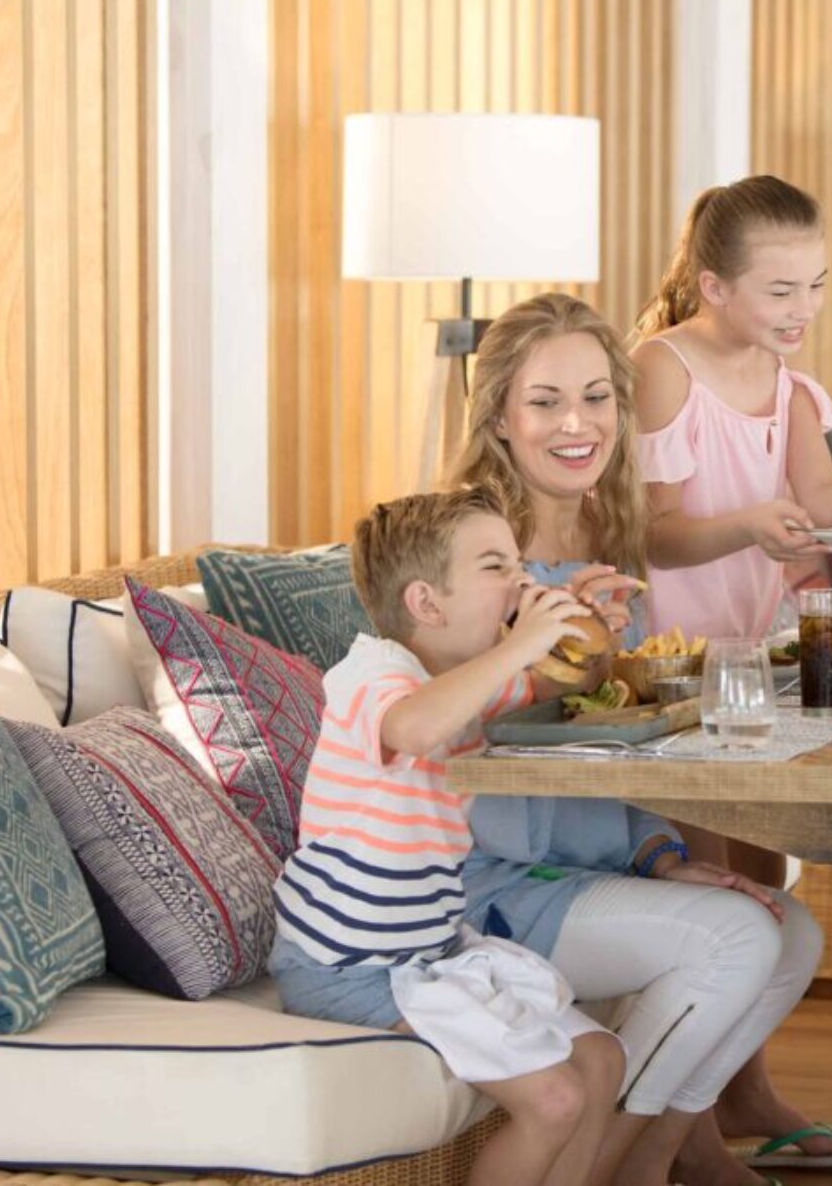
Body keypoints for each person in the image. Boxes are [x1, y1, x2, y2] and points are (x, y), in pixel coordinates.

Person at [450, 291, 832, 1183]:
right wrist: (561, 653)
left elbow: (614, 742)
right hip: (496, 882)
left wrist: (663, 855)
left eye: (596, 397)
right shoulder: (473, 550)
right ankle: (614, 1172)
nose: (577, 423)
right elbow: (462, 737)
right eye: (546, 401)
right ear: (501, 417)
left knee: (790, 930)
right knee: (737, 940)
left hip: (597, 864)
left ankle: (653, 1159)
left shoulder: (607, 534)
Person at [267, 486, 622, 1186]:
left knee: (602, 1062)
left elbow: (560, 693)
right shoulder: (372, 673)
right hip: (349, 965)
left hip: (428, 945)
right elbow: (419, 729)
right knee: (553, 1100)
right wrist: (521, 644)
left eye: (520, 564)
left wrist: (592, 636)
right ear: (427, 604)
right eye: (497, 567)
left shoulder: (465, 678)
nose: (522, 582)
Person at [632, 173, 832, 640]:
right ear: (715, 288)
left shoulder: (787, 386)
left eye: (816, 285)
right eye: (781, 292)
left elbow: (822, 494)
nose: (805, 309)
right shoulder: (663, 369)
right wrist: (749, 526)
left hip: (747, 641)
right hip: (662, 651)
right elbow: (657, 538)